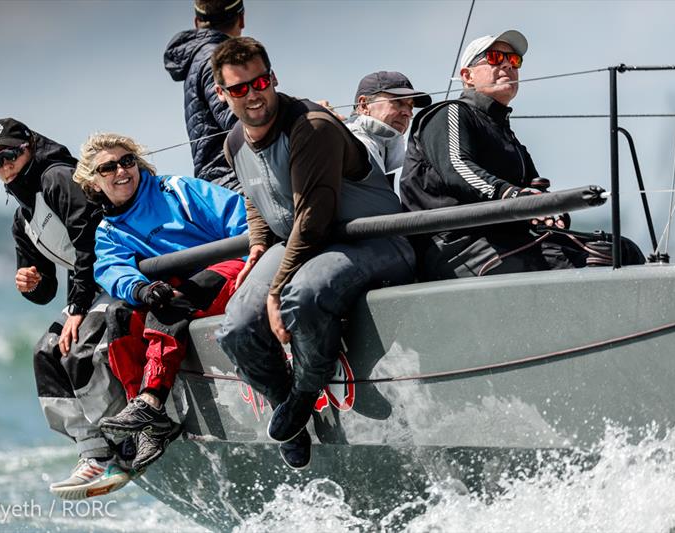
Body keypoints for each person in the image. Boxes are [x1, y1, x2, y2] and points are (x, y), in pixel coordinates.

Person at [211, 37, 415, 470]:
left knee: (301, 294)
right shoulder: (233, 143)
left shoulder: (312, 125)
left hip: (369, 240)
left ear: (274, 78)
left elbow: (315, 215)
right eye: (239, 88)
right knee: (234, 328)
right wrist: (258, 242)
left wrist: (275, 288)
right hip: (299, 244)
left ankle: (304, 396)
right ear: (222, 93)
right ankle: (285, 404)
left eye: (260, 81)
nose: (254, 94)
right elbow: (254, 194)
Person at [399, 30, 644, 279]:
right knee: (594, 261)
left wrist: (550, 213)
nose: (507, 63)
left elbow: (534, 194)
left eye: (514, 60)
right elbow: (457, 167)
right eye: (494, 57)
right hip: (460, 249)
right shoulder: (449, 114)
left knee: (624, 250)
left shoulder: (506, 135)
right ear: (467, 76)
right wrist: (511, 194)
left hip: (508, 240)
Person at [72, 133, 248, 471]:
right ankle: (149, 425)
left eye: (127, 161)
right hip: (181, 286)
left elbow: (240, 219)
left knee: (171, 303)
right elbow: (111, 269)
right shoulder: (109, 229)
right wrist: (142, 290)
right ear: (93, 183)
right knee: (120, 316)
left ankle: (152, 399)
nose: (121, 171)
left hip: (232, 268)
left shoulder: (177, 190)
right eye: (108, 168)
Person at [0, 118, 130, 499]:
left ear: (30, 146)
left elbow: (88, 240)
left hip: (120, 275)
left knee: (79, 350)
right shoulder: (23, 218)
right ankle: (93, 451)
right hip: (89, 291)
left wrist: (77, 307)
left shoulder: (57, 177)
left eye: (12, 154)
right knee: (45, 354)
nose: (7, 165)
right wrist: (29, 282)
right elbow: (45, 288)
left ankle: (124, 441)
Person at [164, 0, 245, 193]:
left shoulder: (202, 58)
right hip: (238, 182)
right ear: (241, 19)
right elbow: (240, 122)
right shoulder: (218, 58)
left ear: (196, 22)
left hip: (220, 185)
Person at [345, 71, 431, 176]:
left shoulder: (392, 146)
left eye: (410, 106)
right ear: (364, 105)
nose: (408, 113)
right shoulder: (348, 141)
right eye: (398, 101)